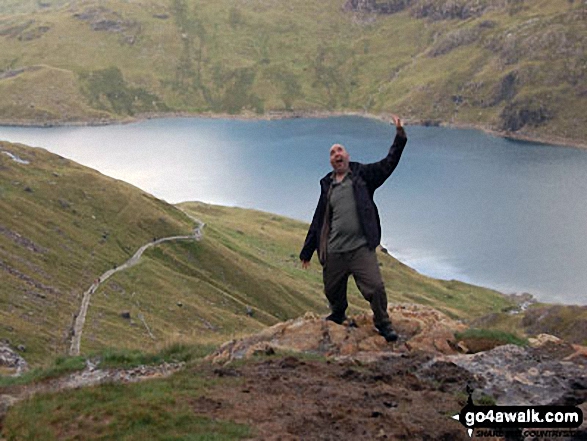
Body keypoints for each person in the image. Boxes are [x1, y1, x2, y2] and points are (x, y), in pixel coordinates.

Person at [299, 115, 407, 342]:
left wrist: (399, 135)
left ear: (347, 157)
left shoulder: (363, 176)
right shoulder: (327, 186)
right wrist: (307, 251)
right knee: (332, 290)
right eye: (332, 153)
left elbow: (389, 163)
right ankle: (338, 313)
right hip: (335, 250)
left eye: (340, 151)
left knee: (375, 287)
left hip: (360, 248)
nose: (337, 154)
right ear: (331, 162)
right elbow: (318, 220)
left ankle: (383, 324)